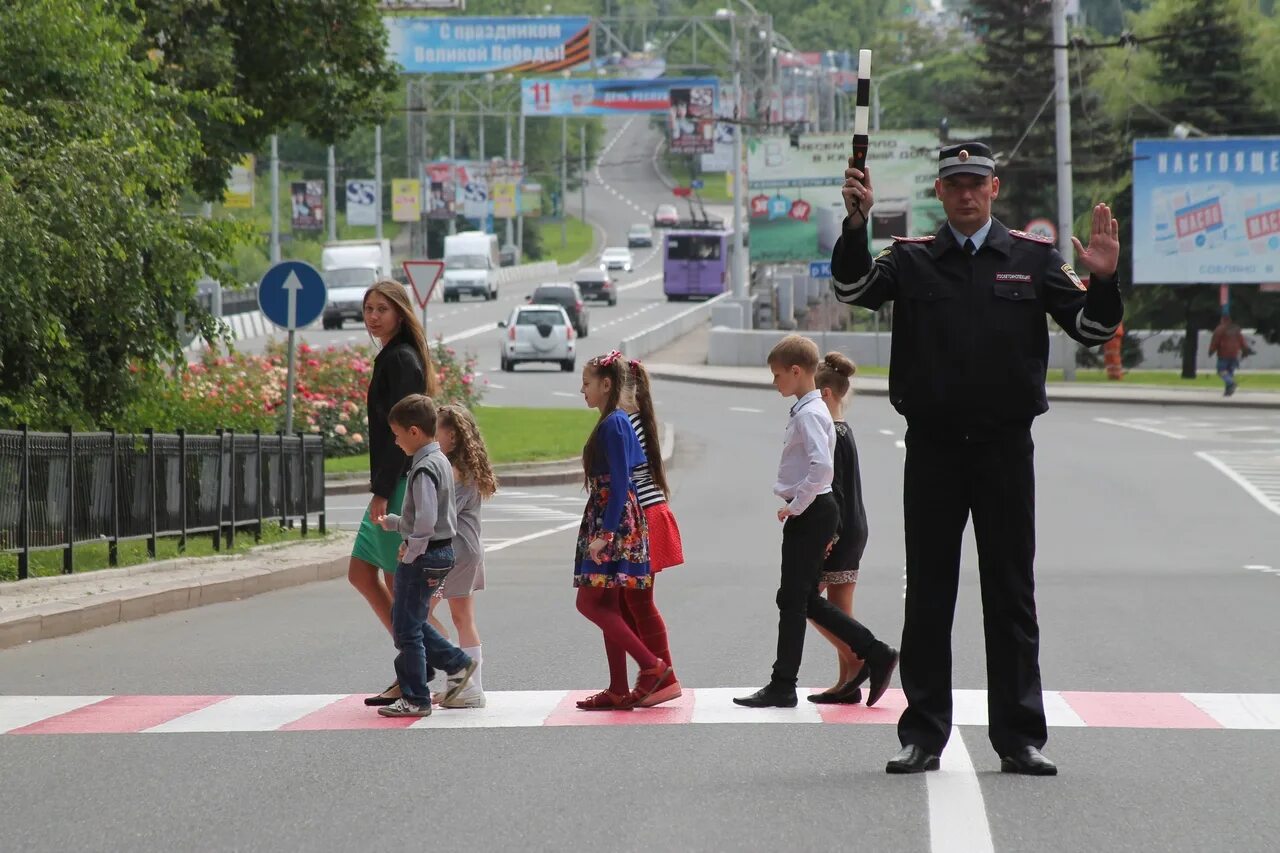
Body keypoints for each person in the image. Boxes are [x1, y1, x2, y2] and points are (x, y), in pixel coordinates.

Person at [831, 141, 1124, 775]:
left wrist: (1103, 279)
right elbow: (854, 285)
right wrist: (855, 224)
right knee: (929, 597)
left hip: (1004, 451)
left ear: (996, 189)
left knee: (1011, 594)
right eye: (954, 183)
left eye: (977, 182)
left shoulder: (1033, 259)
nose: (966, 193)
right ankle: (923, 734)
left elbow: (1092, 330)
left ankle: (1020, 738)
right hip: (934, 450)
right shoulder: (913, 260)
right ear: (939, 192)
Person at [733, 335, 898, 711]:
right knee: (797, 599)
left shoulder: (810, 412)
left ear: (796, 371)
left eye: (777, 375)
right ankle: (868, 655)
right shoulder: (811, 409)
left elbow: (822, 467)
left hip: (813, 511)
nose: (774, 382)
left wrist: (797, 505)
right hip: (816, 510)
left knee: (794, 599)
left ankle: (790, 682)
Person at [352, 280, 440, 708]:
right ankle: (421, 665)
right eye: (368, 308)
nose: (372, 317)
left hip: (400, 482)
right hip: (394, 482)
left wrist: (382, 492)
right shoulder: (392, 356)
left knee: (394, 582)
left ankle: (434, 664)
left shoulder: (401, 359)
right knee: (366, 574)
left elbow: (403, 435)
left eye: (381, 309)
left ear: (400, 313)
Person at [574, 351, 670, 711]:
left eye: (587, 383)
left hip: (612, 520)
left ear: (606, 384)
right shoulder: (615, 420)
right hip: (612, 517)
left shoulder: (614, 422)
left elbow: (619, 483)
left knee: (588, 602)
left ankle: (651, 665)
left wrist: (606, 534)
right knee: (608, 602)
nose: (582, 390)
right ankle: (617, 688)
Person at [373, 394, 476, 718]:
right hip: (442, 551)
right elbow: (435, 515)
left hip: (424, 554)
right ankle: (456, 664)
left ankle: (417, 696)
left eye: (398, 434)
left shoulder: (422, 468)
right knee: (412, 621)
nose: (396, 440)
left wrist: (411, 548)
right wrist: (395, 524)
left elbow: (427, 519)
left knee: (406, 629)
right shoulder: (441, 461)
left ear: (414, 432)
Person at [807, 352, 873, 706]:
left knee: (810, 601)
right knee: (838, 605)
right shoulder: (844, 430)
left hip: (841, 531)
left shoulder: (832, 433)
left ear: (827, 395)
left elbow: (836, 491)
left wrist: (828, 538)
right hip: (853, 526)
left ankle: (860, 658)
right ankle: (847, 681)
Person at [618, 359, 682, 707]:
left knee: (638, 602)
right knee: (631, 603)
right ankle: (653, 674)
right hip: (647, 513)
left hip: (644, 516)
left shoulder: (629, 423)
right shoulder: (636, 420)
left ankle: (663, 675)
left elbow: (621, 475)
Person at [426, 404, 498, 709]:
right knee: (463, 618)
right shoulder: (468, 469)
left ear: (451, 435)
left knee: (418, 614)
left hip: (452, 551)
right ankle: (469, 687)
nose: (431, 437)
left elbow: (440, 516)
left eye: (435, 431)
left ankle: (459, 677)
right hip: (469, 550)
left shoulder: (450, 470)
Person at [1209, 313, 1249, 396]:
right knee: (1229, 373)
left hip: (1223, 354)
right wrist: (1245, 351)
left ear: (1223, 320)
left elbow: (1215, 342)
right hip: (1234, 354)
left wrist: (1211, 351)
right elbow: (1242, 341)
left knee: (1221, 371)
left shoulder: (1220, 329)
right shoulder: (1235, 329)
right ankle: (1228, 391)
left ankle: (1231, 383)